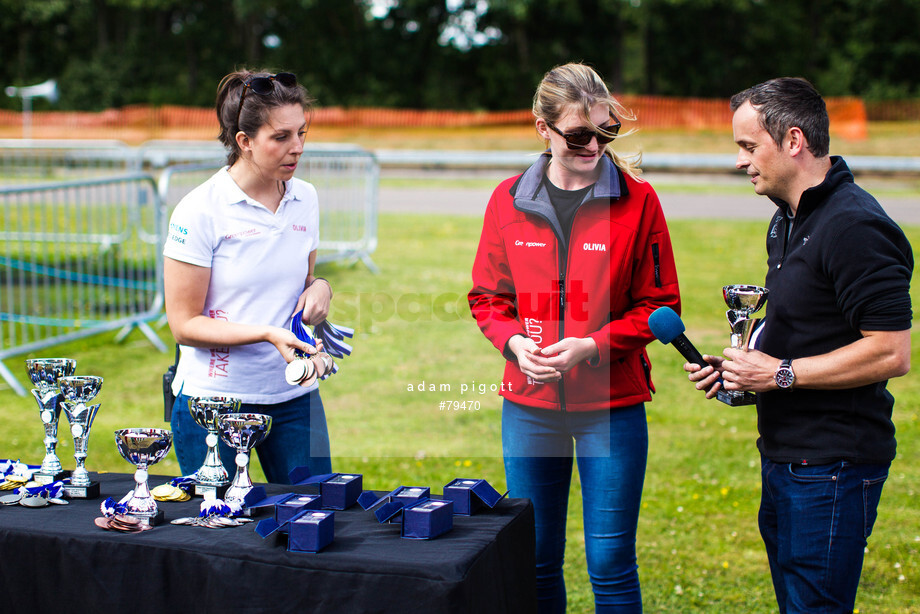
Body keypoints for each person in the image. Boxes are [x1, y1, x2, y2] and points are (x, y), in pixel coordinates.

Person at [685, 77, 913, 612]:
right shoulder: (785, 220)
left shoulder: (854, 224)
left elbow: (890, 351)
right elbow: (805, 328)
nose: (740, 162)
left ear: (792, 141)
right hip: (785, 458)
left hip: (832, 467)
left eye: (748, 146)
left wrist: (780, 373)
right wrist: (741, 372)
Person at [468, 62, 680, 613]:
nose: (594, 146)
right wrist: (515, 344)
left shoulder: (640, 201)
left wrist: (592, 346)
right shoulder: (506, 200)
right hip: (529, 407)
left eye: (605, 133)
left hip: (611, 406)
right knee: (534, 558)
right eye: (580, 135)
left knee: (610, 564)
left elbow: (660, 304)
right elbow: (488, 299)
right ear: (542, 128)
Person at [163, 69, 334, 484]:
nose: (297, 148)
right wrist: (266, 333)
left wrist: (322, 288)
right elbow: (184, 325)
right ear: (244, 141)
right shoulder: (200, 209)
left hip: (295, 397)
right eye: (281, 137)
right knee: (220, 533)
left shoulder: (304, 197)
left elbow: (303, 282)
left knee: (313, 522)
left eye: (302, 133)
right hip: (213, 403)